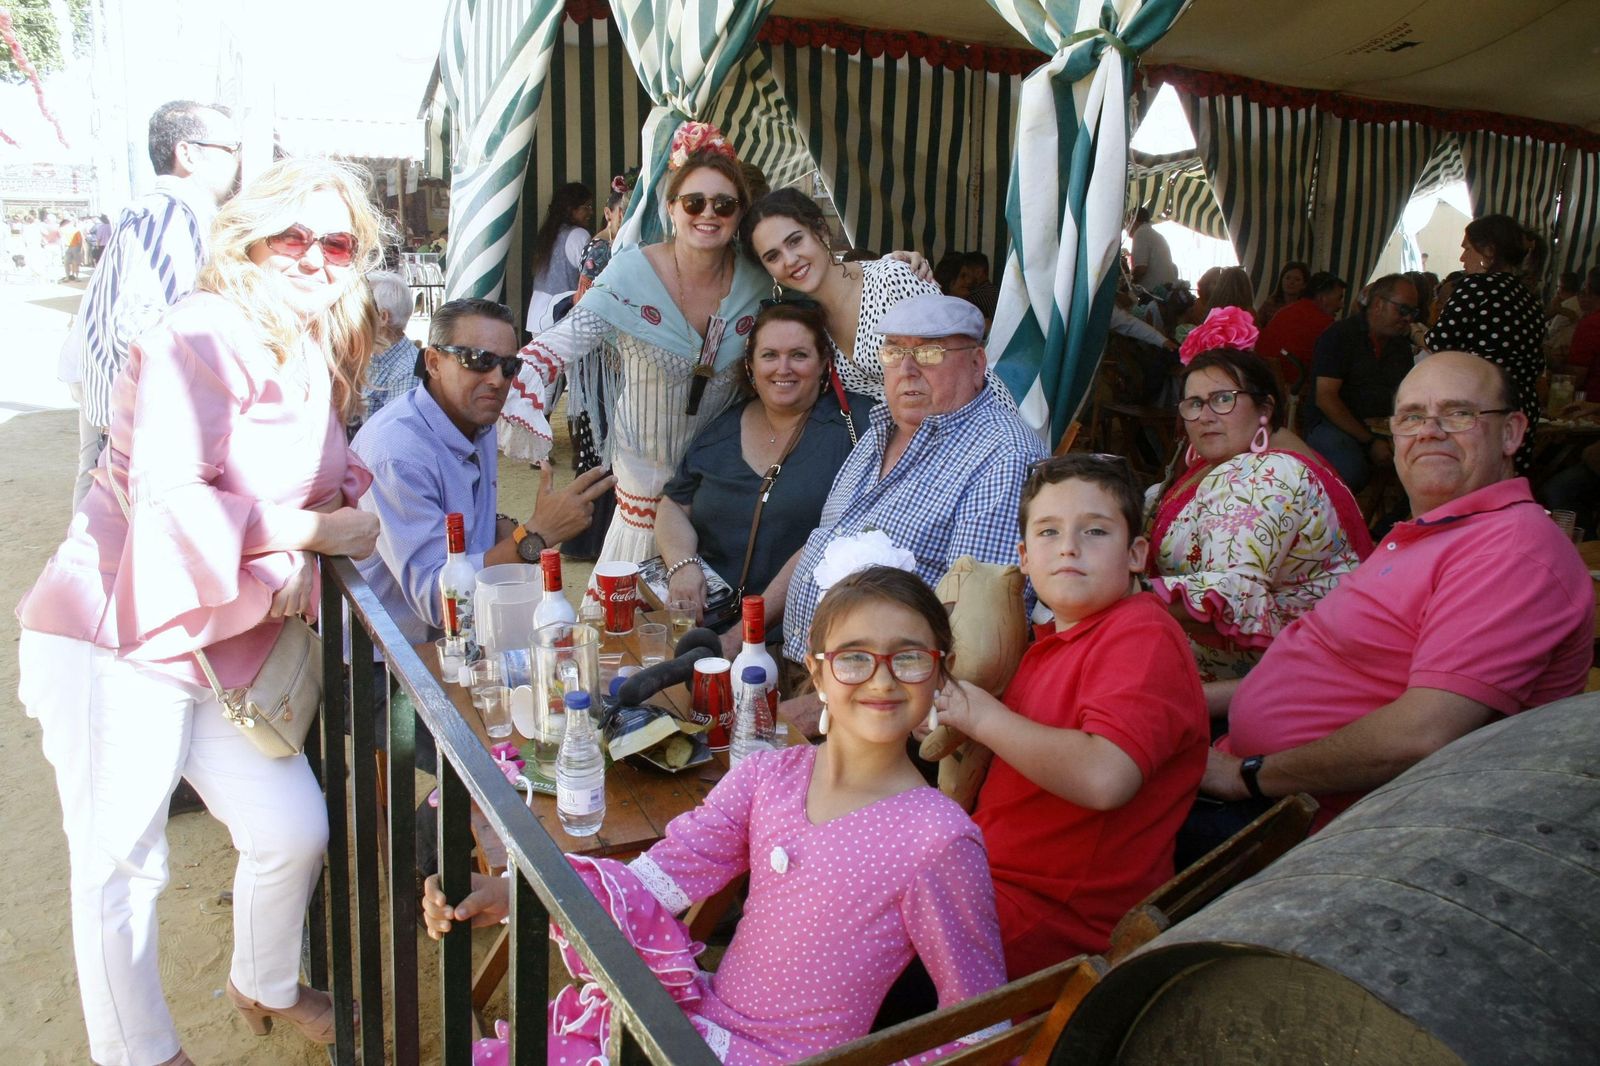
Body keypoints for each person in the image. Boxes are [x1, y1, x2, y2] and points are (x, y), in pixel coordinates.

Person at [16, 157, 388, 1066]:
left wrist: (332, 522)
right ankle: (141, 1053)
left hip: (221, 644)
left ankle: (263, 981)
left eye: (335, 242)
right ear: (245, 238)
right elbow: (172, 503)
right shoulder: (199, 333)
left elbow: (331, 479)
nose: (314, 258)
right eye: (290, 237)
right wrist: (317, 531)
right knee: (121, 869)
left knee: (292, 830)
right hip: (118, 635)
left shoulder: (313, 348)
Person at [422, 566, 1008, 1063]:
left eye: (908, 657)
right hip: (698, 1032)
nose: (881, 678)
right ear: (819, 669)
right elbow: (653, 881)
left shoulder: (940, 838)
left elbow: (979, 1022)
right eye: (855, 658)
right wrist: (509, 895)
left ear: (942, 668)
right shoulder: (769, 775)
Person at [1189, 352, 1593, 857]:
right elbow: (1341, 666)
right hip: (1261, 775)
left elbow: (1423, 733)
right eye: (1412, 417)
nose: (1430, 431)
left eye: (1458, 413)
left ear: (1511, 433)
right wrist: (1203, 697)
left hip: (1312, 832)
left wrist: (1244, 775)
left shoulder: (1510, 549)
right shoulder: (1435, 530)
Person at [932, 454, 1207, 977]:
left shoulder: (1139, 635)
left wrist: (982, 717)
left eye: (1095, 531)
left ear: (1136, 554)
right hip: (990, 885)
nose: (1069, 547)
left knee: (835, 939)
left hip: (1047, 926)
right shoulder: (1054, 641)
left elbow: (1106, 776)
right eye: (1049, 531)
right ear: (1024, 558)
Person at [759, 293, 1046, 730]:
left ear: (977, 363)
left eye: (929, 353)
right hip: (805, 672)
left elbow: (972, 643)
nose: (907, 370)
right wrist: (745, 631)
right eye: (894, 351)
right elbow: (821, 545)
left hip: (877, 717)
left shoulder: (1002, 455)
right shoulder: (882, 429)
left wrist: (831, 709)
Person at [500, 125, 771, 578]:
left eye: (724, 204)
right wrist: (519, 374)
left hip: (718, 496)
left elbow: (821, 285)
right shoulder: (632, 272)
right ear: (671, 207)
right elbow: (567, 337)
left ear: (741, 212)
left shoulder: (758, 283)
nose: (709, 213)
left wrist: (885, 267)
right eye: (694, 202)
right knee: (627, 633)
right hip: (643, 497)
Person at [352, 298, 615, 650]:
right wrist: (535, 536)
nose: (496, 379)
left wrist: (502, 526)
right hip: (393, 661)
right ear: (433, 362)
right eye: (478, 360)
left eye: (509, 366)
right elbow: (438, 601)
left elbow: (456, 518)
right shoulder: (397, 454)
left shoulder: (477, 419)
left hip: (461, 643)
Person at [1149, 309, 1372, 681]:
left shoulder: (1266, 474)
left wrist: (1120, 596)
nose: (1205, 415)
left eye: (1223, 399)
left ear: (1265, 409)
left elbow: (1231, 588)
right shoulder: (1216, 466)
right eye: (1194, 403)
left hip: (1286, 670)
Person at [68, 100, 242, 508]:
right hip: (145, 430)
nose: (237, 161)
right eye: (230, 149)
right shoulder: (167, 215)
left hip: (132, 425)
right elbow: (138, 327)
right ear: (188, 154)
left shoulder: (170, 214)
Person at [657, 301, 869, 624]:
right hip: (709, 628)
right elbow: (674, 503)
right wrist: (682, 565)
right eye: (769, 355)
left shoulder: (857, 425)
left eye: (798, 355)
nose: (783, 368)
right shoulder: (721, 432)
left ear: (824, 362)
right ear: (751, 365)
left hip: (804, 635)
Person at [743, 188, 941, 401]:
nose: (790, 260)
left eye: (795, 241)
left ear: (821, 230)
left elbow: (954, 361)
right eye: (773, 256)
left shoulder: (893, 279)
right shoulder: (807, 322)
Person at [1424, 214, 1546, 473]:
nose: (1462, 258)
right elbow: (1536, 361)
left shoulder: (1476, 286)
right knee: (1504, 482)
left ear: (1489, 251)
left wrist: (1416, 334)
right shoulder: (1529, 298)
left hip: (1478, 405)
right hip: (1520, 406)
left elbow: (1438, 342)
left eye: (1467, 248)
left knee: (1465, 481)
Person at [1305, 273, 1420, 492]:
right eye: (1403, 310)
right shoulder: (1340, 335)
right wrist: (1369, 441)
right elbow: (1326, 398)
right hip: (1333, 424)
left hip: (1381, 427)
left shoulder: (1400, 345)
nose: (1409, 319)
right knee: (1351, 471)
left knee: (1424, 468)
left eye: (1414, 312)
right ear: (1378, 304)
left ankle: (1389, 524)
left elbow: (1404, 395)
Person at [1255, 270, 1347, 394]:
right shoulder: (1325, 324)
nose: (1341, 305)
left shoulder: (1286, 312)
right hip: (1294, 391)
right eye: (1339, 298)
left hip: (1265, 385)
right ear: (1322, 297)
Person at [524, 181, 593, 330]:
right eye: (586, 207)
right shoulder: (578, 235)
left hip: (536, 316)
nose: (590, 212)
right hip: (559, 317)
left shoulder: (549, 233)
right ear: (571, 209)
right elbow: (591, 274)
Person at [359, 269, 419, 422]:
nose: (352, 313)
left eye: (361, 307)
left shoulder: (408, 371)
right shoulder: (370, 356)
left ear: (382, 317)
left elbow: (395, 436)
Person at [574, 171, 632, 301]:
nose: (629, 218)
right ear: (607, 213)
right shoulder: (600, 249)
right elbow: (585, 298)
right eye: (624, 212)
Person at [1129, 206, 1178, 292]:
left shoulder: (1140, 233)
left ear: (1134, 220)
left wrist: (1127, 284)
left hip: (1154, 293)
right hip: (1166, 291)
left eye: (1127, 222)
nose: (1126, 227)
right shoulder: (1155, 234)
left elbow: (1141, 269)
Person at [1255, 260, 1309, 327]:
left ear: (1304, 285)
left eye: (1297, 279)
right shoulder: (1270, 303)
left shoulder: (1306, 307)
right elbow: (1256, 326)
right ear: (1281, 280)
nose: (1291, 282)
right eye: (1287, 278)